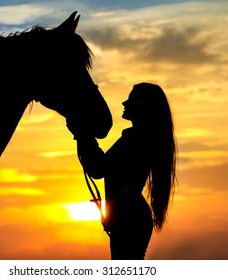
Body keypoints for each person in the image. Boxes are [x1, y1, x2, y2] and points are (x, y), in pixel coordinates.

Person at [68, 82, 177, 260]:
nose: (124, 103)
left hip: (128, 218)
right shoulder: (139, 138)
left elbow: (99, 168)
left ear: (143, 107)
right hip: (129, 216)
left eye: (131, 99)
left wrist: (83, 135)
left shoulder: (135, 140)